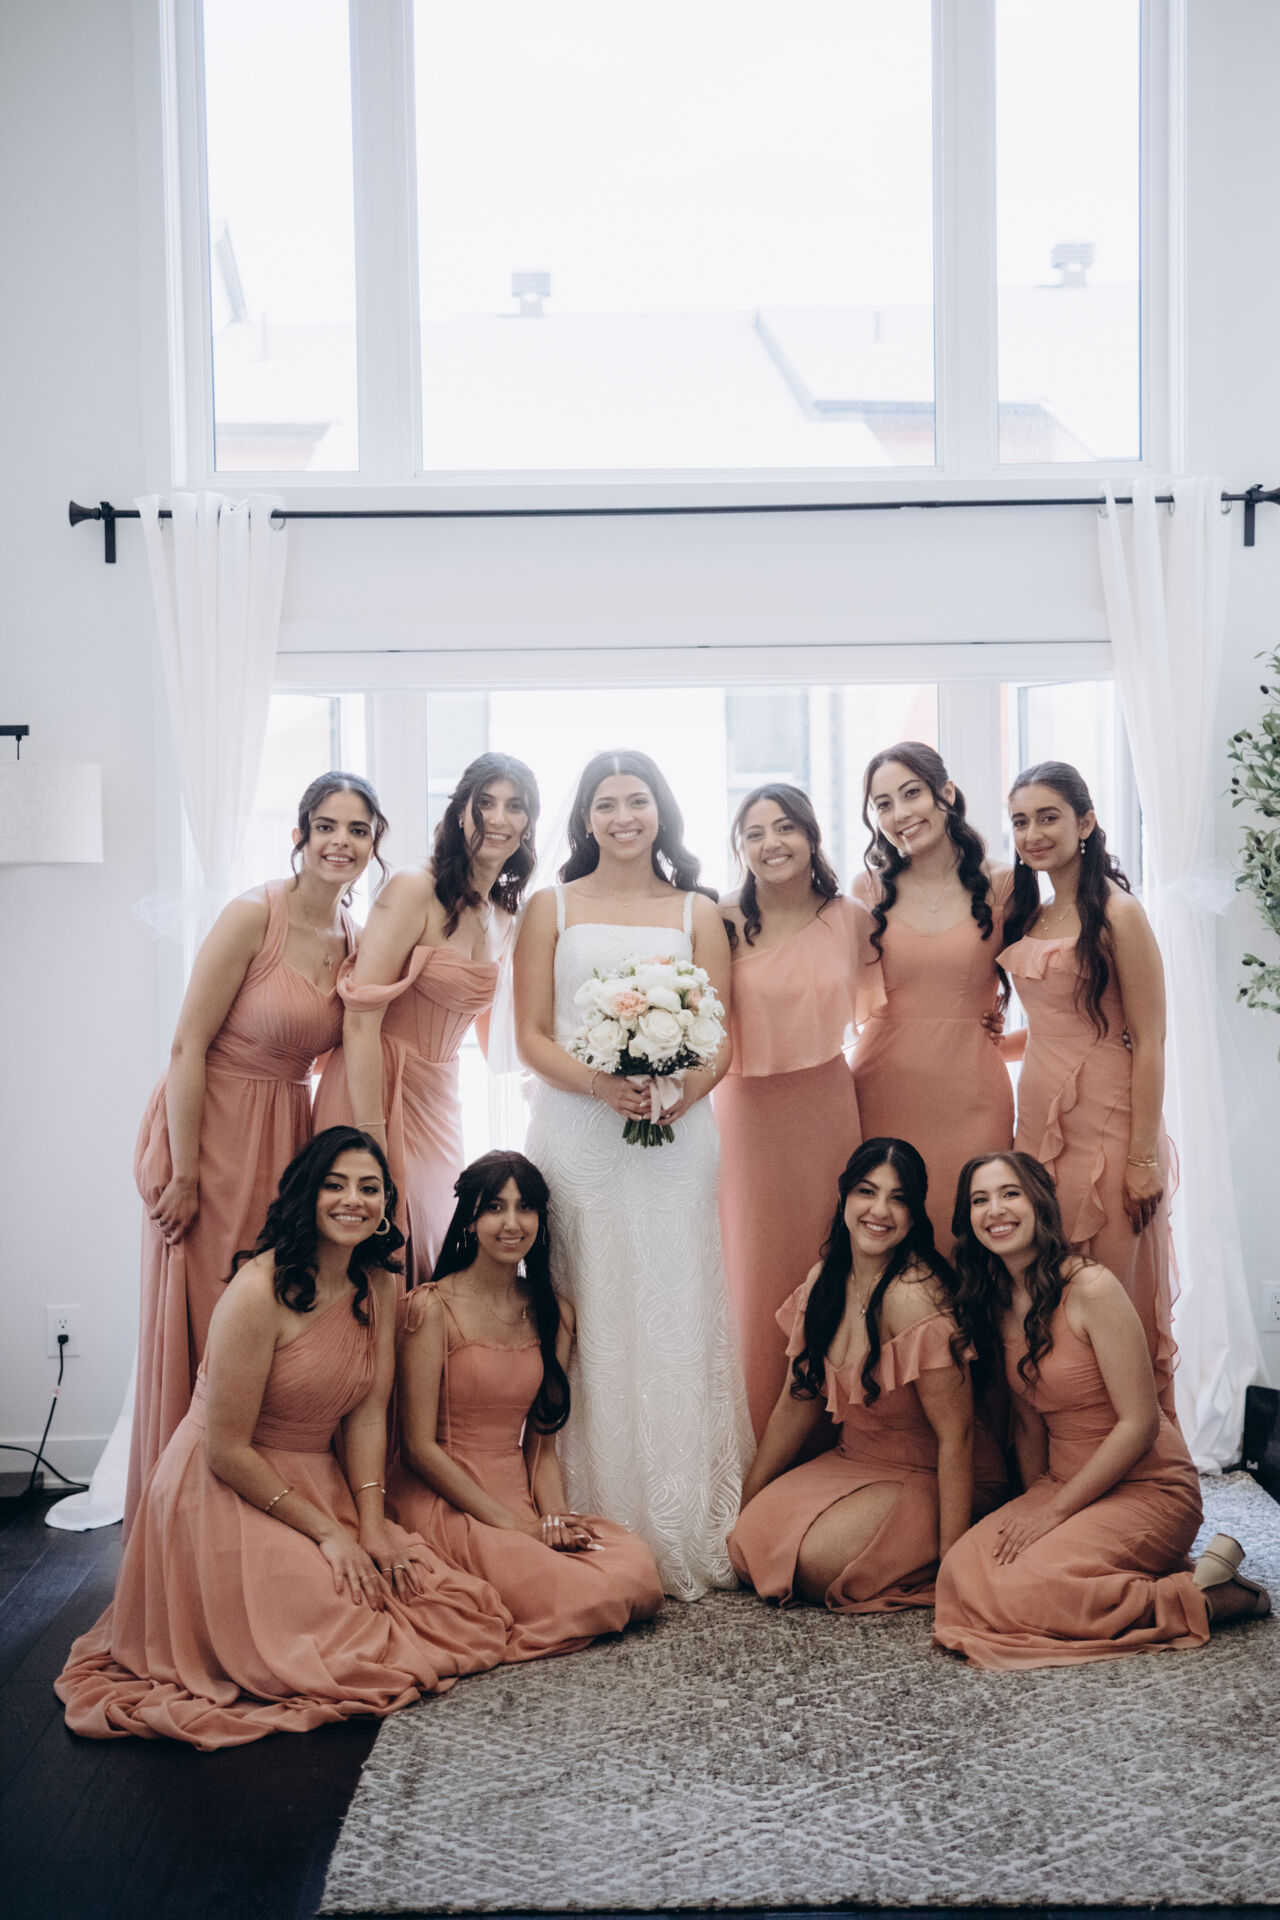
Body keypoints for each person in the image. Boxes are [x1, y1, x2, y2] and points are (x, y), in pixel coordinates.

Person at [58, 1129, 513, 1748]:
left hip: (316, 1477)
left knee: (425, 1596)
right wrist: (329, 1533)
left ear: (385, 1205)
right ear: (307, 1194)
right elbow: (226, 1449)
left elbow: (367, 1412)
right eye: (335, 1185)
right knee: (338, 1640)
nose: (353, 1200)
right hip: (223, 1486)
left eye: (369, 1188)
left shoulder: (380, 1285)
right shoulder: (257, 1291)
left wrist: (371, 1525)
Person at [515, 749, 751, 1600]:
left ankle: (684, 1512)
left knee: (676, 1298)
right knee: (589, 1301)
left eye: (637, 800)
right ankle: (588, 1505)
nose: (623, 817)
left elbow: (722, 1037)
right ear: (585, 818)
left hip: (676, 1133)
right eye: (606, 803)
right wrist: (600, 1085)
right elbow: (530, 1035)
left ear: (661, 812)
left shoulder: (699, 911)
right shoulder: (550, 907)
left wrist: (679, 1093)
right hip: (578, 1130)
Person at [126, 771, 386, 1530]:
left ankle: (265, 1513)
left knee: (270, 1309)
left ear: (374, 846)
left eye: (359, 830)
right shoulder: (252, 916)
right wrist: (184, 1171)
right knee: (213, 1312)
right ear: (300, 835)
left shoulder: (355, 939)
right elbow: (187, 1045)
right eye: (327, 826)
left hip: (287, 1136)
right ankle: (185, 1519)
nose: (341, 842)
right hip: (211, 1127)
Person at [934, 1153, 1268, 1669]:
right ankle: (1124, 1576)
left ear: (1039, 1204)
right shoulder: (999, 1300)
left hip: (1148, 1486)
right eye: (980, 1200)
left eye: (1010, 1193)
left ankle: (1208, 1597)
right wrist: (1035, 1504)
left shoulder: (1091, 1288)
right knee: (962, 1572)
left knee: (1024, 1590)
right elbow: (1029, 1423)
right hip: (1064, 1482)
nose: (995, 1210)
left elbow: (1141, 1424)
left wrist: (1053, 1514)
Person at [389, 1151, 664, 1659]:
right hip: (444, 1499)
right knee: (589, 1596)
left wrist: (552, 1521)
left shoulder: (553, 1313)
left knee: (635, 1568)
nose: (512, 1223)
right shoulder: (431, 1307)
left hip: (518, 1497)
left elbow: (541, 1447)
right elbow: (417, 1448)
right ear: (470, 1219)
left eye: (525, 1207)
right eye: (495, 1207)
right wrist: (513, 1527)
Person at [729, 1139, 1006, 1613]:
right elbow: (797, 1401)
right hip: (856, 1459)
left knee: (816, 1566)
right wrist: (744, 1504)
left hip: (935, 1471)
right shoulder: (824, 1280)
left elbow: (957, 1435)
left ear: (914, 1215)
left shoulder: (912, 1296)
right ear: (844, 1198)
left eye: (898, 1198)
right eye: (867, 1191)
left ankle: (934, 1551)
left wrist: (952, 1560)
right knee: (748, 1543)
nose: (880, 1210)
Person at [314, 752, 539, 1281]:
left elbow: (501, 1039)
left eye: (515, 806)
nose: (499, 818)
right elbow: (359, 1021)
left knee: (433, 1247)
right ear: (460, 811)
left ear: (528, 822)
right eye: (485, 803)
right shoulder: (414, 888)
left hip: (440, 1097)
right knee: (373, 1252)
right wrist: (371, 1138)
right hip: (374, 1085)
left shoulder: (505, 915)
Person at [1001, 761, 1176, 1411]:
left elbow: (1150, 1038)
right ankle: (1065, 1438)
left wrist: (1142, 1159)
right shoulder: (1033, 913)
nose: (1033, 834)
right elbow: (1063, 1018)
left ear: (1086, 822)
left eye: (1048, 817)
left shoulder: (1120, 913)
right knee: (1046, 1282)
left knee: (1109, 1277)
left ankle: (1138, 1438)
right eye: (1021, 821)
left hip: (1107, 1118)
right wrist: (996, 1041)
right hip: (1038, 1113)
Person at [716, 784, 868, 1438]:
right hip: (745, 1113)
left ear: (810, 835)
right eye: (754, 833)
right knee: (752, 1270)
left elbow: (891, 1001)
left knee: (831, 1257)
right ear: (740, 848)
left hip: (828, 1108)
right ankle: (755, 1434)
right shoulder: (719, 919)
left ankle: (834, 1433)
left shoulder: (852, 917)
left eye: (784, 828)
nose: (771, 843)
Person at [851, 743, 1014, 1250]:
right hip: (880, 1090)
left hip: (974, 1093)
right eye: (883, 804)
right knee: (888, 1241)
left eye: (911, 793)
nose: (899, 814)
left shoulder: (1005, 885)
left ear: (946, 792)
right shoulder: (866, 889)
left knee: (971, 1240)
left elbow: (1057, 976)